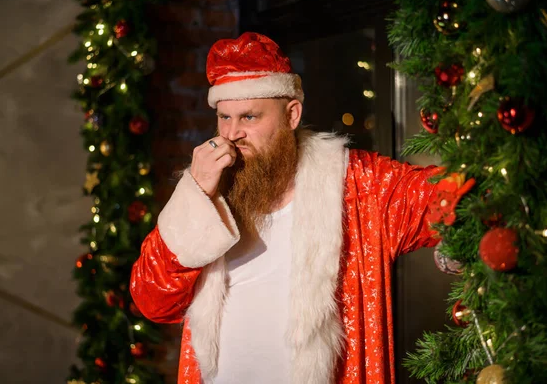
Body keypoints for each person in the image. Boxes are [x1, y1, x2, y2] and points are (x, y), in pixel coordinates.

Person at [130, 32, 442, 384]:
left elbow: (447, 198)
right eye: (224, 117)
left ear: (292, 115)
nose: (232, 134)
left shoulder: (357, 185)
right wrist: (196, 193)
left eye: (249, 117)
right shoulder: (207, 193)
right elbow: (152, 302)